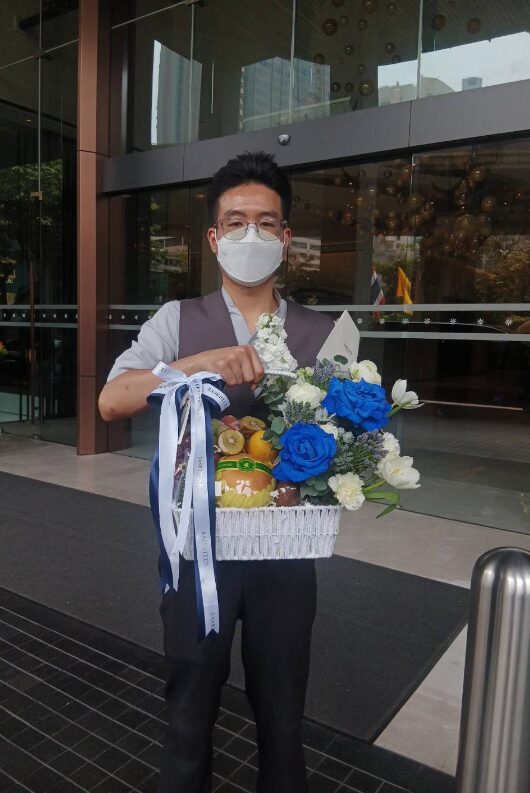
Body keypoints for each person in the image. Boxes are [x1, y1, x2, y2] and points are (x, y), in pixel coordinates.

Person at [99, 151, 334, 793]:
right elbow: (111, 401)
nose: (249, 235)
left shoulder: (325, 333)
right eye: (235, 222)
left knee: (283, 710)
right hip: (194, 550)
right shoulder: (177, 322)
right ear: (213, 237)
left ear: (287, 238)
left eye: (265, 222)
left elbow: (351, 442)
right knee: (189, 698)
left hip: (286, 554)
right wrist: (196, 363)